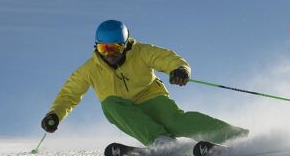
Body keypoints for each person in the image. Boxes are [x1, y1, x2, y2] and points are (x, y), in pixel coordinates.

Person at [41, 20, 247, 148]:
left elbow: (167, 58)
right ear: (96, 47)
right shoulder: (89, 69)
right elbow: (70, 94)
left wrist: (180, 70)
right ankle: (159, 139)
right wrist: (55, 114)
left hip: (152, 98)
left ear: (125, 45)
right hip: (123, 109)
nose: (110, 55)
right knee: (109, 103)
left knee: (177, 122)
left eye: (114, 48)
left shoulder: (141, 52)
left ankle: (235, 136)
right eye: (104, 49)